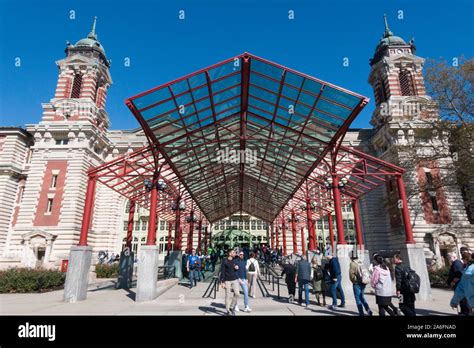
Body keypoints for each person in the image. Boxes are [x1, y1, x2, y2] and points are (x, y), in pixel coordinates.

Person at [220, 249, 240, 315]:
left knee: (237, 293)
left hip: (234, 279)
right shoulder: (225, 260)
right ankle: (228, 310)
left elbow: (236, 267)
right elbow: (222, 271)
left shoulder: (235, 260)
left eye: (234, 252)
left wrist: (237, 267)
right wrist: (222, 281)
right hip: (227, 280)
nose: (234, 253)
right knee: (227, 295)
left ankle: (231, 307)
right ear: (229, 253)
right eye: (233, 252)